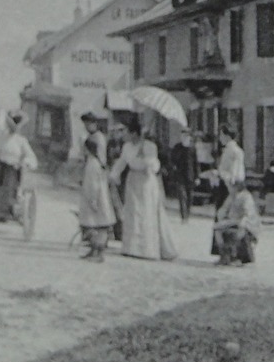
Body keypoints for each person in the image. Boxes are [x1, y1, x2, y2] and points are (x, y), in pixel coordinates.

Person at [110, 112, 178, 261]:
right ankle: (132, 247)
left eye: (126, 132)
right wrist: (114, 175)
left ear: (134, 133)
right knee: (133, 212)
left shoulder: (149, 146)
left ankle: (148, 249)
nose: (124, 135)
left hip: (146, 181)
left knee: (146, 213)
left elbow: (155, 165)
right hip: (133, 180)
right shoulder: (127, 146)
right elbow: (122, 162)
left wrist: (147, 161)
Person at [77, 111, 116, 260]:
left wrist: (93, 197)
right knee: (93, 219)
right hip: (94, 183)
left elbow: (101, 159)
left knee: (97, 219)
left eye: (89, 123)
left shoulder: (98, 139)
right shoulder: (91, 139)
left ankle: (98, 251)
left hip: (96, 188)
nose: (87, 126)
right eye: (85, 124)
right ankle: (93, 249)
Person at [0, 111, 39, 220]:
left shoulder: (21, 141)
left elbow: (31, 156)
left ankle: (7, 209)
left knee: (10, 182)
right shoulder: (1, 138)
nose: (12, 128)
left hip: (13, 169)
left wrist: (26, 161)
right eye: (10, 126)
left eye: (15, 126)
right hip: (0, 167)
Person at [212, 180, 261, 265]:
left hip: (247, 223)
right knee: (217, 229)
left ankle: (237, 256)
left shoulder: (246, 197)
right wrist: (221, 216)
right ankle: (224, 254)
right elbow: (224, 208)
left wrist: (242, 222)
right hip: (232, 221)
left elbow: (249, 213)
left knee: (239, 231)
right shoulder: (231, 196)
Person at [213, 127, 246, 214]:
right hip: (237, 183)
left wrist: (218, 173)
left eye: (221, 135)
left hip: (228, 184)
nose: (220, 138)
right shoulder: (238, 150)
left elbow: (232, 170)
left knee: (222, 210)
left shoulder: (230, 151)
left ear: (227, 136)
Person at [169, 128, 199, 221]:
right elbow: (171, 160)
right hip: (179, 175)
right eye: (182, 135)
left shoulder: (192, 148)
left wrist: (197, 177)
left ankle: (188, 214)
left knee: (190, 196)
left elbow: (196, 163)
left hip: (190, 175)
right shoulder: (177, 147)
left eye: (186, 136)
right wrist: (173, 167)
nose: (184, 137)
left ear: (189, 137)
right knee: (182, 195)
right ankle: (184, 216)